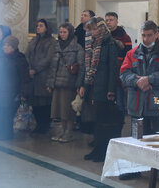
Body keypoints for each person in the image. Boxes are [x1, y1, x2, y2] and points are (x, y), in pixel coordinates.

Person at [119, 20, 159, 182]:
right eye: (143, 35)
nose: (146, 39)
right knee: (137, 140)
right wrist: (136, 81)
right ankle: (135, 168)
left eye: (149, 35)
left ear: (156, 35)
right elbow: (124, 73)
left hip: (158, 105)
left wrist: (149, 79)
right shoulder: (132, 53)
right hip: (138, 104)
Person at [78, 17, 119, 162]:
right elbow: (85, 66)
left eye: (94, 28)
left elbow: (112, 69)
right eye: (90, 29)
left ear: (101, 28)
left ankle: (103, 151)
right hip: (91, 86)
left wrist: (111, 90)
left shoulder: (110, 44)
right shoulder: (90, 44)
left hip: (103, 88)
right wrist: (82, 84)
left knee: (103, 122)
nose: (92, 32)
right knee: (94, 121)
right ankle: (96, 149)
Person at [0, 36, 30, 139]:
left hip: (11, 91)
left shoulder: (20, 59)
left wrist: (23, 93)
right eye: (4, 45)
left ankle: (6, 134)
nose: (5, 47)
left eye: (7, 45)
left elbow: (25, 78)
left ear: (13, 47)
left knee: (6, 113)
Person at [46, 23, 84, 143]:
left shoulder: (77, 47)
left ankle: (69, 131)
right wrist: (50, 83)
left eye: (64, 32)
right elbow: (53, 67)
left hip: (69, 83)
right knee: (59, 109)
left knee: (68, 110)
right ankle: (62, 130)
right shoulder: (57, 47)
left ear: (70, 33)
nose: (62, 34)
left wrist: (79, 84)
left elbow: (81, 66)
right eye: (61, 32)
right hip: (58, 82)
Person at [25, 19, 56, 134]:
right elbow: (27, 54)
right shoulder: (34, 40)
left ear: (47, 28)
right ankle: (38, 124)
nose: (38, 28)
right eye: (37, 26)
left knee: (44, 102)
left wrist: (36, 69)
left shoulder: (52, 42)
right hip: (32, 76)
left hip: (43, 75)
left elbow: (48, 59)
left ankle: (44, 125)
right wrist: (28, 68)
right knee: (35, 102)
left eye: (41, 26)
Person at [105, 12, 132, 112]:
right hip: (106, 73)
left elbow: (128, 56)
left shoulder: (125, 37)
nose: (108, 22)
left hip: (118, 72)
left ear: (117, 21)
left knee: (120, 101)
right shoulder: (104, 37)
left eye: (111, 20)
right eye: (106, 20)